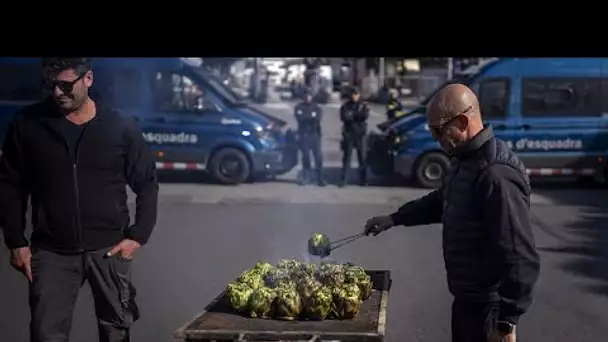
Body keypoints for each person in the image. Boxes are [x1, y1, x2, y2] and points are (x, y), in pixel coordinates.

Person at [363, 84, 540, 342]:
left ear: (462, 121)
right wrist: (395, 218)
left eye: (438, 130)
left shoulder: (496, 174)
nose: (435, 138)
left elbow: (520, 256)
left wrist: (506, 322)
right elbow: (443, 200)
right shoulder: (464, 159)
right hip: (467, 302)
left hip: (489, 309)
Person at [0, 58, 159, 342]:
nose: (57, 92)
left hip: (109, 250)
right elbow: (10, 185)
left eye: (65, 84)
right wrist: (16, 241)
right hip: (51, 252)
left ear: (88, 79)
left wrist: (138, 236)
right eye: (50, 85)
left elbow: (147, 183)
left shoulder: (119, 126)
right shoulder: (28, 125)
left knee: (115, 332)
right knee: (46, 335)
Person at [339, 87, 370, 187]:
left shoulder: (363, 105)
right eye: (353, 94)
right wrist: (356, 116)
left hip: (361, 135)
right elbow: (344, 117)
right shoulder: (346, 106)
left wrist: (353, 115)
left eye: (356, 94)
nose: (354, 96)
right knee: (346, 159)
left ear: (359, 95)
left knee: (363, 159)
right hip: (349, 135)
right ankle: (344, 180)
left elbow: (364, 116)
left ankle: (363, 180)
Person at [295, 89, 325, 186]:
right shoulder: (298, 107)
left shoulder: (316, 107)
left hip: (315, 135)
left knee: (318, 158)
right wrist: (310, 117)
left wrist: (309, 117)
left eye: (309, 95)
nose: (307, 97)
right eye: (306, 95)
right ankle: (306, 177)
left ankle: (320, 179)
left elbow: (317, 119)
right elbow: (300, 119)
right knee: (306, 157)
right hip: (304, 135)